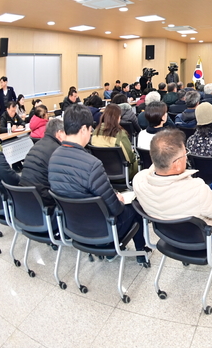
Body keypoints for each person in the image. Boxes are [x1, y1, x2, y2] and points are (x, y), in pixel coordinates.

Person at [48, 104, 149, 263]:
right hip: (102, 230)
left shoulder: (53, 158)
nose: (90, 133)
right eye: (90, 130)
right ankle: (141, 252)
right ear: (83, 129)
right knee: (136, 206)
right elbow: (115, 209)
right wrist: (119, 200)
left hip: (73, 227)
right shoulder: (91, 164)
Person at [133, 128, 212, 244]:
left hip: (168, 236)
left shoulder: (139, 180)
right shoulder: (196, 189)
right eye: (185, 154)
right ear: (176, 165)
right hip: (202, 239)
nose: (186, 157)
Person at [20, 118, 65, 206]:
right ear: (59, 133)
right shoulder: (57, 150)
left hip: (24, 198)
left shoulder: (36, 145)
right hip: (43, 201)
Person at [91, 103, 139, 179]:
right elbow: (130, 159)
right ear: (118, 117)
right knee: (140, 162)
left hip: (101, 173)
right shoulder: (120, 135)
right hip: (124, 173)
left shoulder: (95, 133)